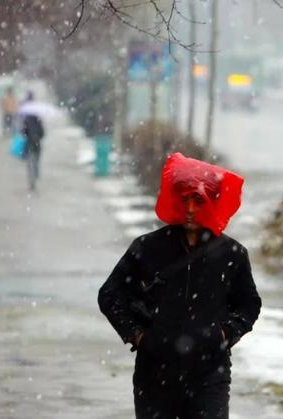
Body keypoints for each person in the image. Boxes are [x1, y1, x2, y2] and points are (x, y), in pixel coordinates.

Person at [98, 153, 262, 419]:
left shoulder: (231, 254)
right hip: (155, 373)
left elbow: (249, 304)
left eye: (198, 200)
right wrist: (138, 336)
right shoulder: (148, 248)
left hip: (210, 374)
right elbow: (110, 294)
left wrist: (224, 334)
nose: (190, 209)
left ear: (212, 202)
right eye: (184, 199)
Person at [19, 91, 45, 191]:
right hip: (37, 145)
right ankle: (35, 176)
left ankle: (31, 180)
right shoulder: (39, 121)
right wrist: (37, 136)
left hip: (29, 145)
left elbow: (23, 133)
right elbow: (43, 134)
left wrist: (27, 133)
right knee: (35, 162)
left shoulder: (26, 120)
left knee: (30, 163)